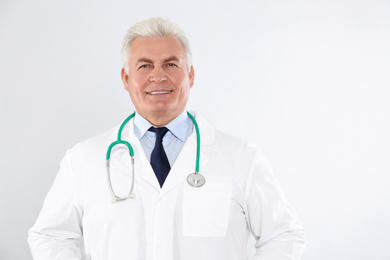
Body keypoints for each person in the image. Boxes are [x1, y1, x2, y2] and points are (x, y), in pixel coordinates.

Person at [28, 17, 305, 260]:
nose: (158, 77)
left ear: (190, 75)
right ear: (126, 79)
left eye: (170, 64)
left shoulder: (243, 158)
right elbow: (49, 237)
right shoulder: (83, 159)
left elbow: (284, 236)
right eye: (145, 66)